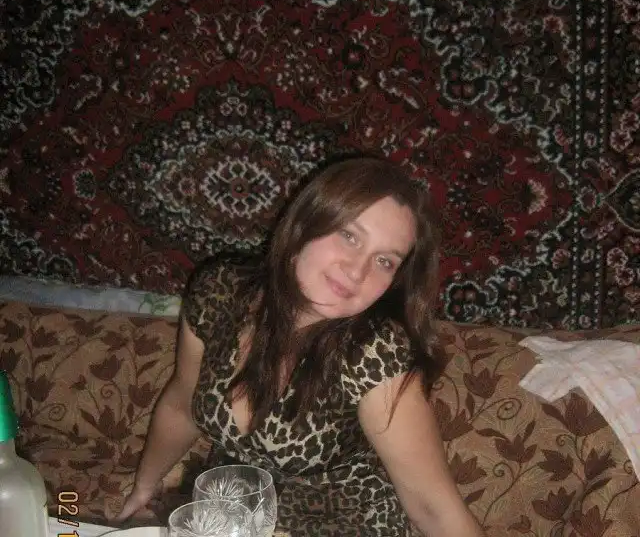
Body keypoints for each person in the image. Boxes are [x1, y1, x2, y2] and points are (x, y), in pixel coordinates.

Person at [113, 156, 485, 536]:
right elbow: (182, 405)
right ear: (306, 222)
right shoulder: (219, 293)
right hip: (236, 519)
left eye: (384, 261)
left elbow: (434, 509)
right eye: (349, 236)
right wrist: (144, 488)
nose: (357, 271)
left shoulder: (374, 354)